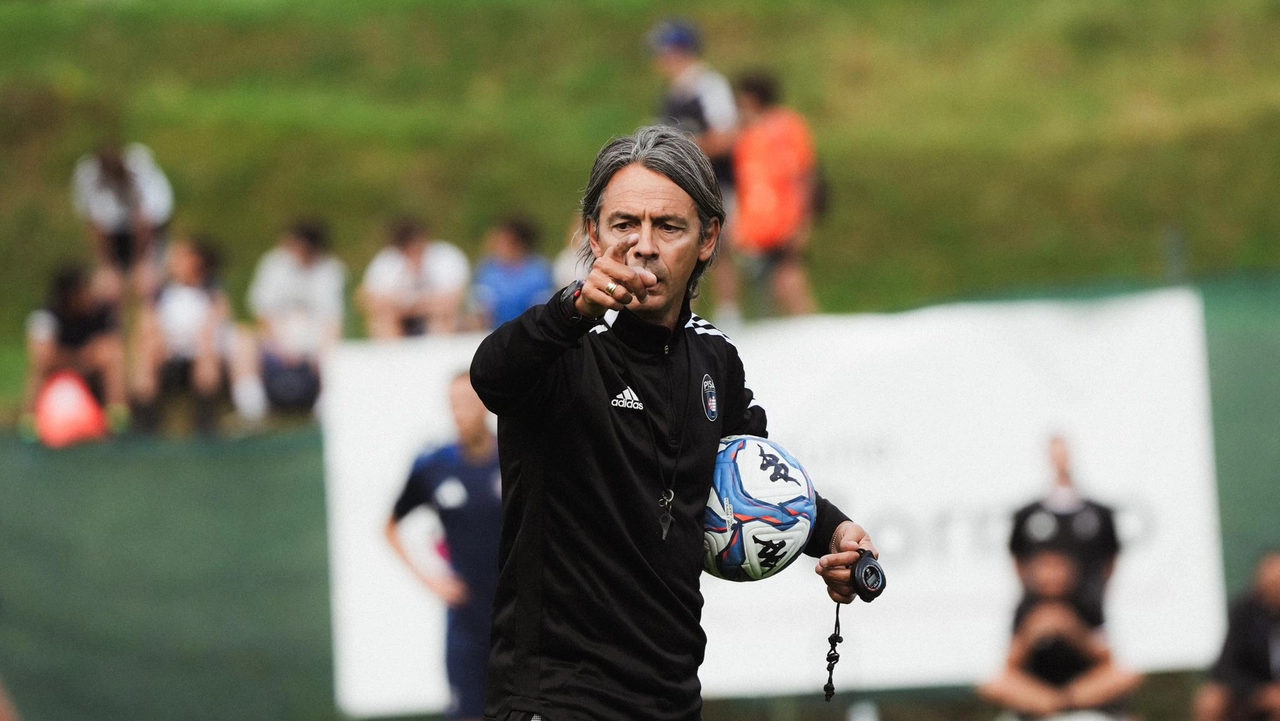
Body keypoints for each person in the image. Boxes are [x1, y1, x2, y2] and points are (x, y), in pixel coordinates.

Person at [470, 126, 876, 721]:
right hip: (555, 699)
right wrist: (572, 307)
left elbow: (752, 472)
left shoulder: (714, 358)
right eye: (624, 224)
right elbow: (491, 374)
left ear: (709, 239)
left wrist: (835, 533)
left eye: (668, 226)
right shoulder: (557, 346)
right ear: (593, 234)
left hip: (671, 699)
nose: (643, 245)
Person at [385, 372, 502, 721]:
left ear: (486, 404)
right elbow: (390, 527)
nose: (460, 413)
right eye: (454, 404)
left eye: (467, 403)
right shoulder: (433, 466)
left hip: (519, 617)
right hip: (467, 621)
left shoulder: (517, 457)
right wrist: (431, 580)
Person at [648, 19, 744, 326]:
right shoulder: (673, 92)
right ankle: (688, 311)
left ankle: (730, 310)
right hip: (684, 183)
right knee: (684, 245)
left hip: (715, 180)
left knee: (720, 245)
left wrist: (687, 147)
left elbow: (727, 134)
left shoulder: (708, 85)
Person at [980, 551, 1142, 717]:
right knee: (996, 683)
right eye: (1046, 567)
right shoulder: (1026, 606)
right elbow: (1008, 669)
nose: (1052, 575)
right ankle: (1052, 704)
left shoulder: (1088, 600)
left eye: (1058, 567)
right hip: (1038, 692)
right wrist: (1030, 635)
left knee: (1122, 675)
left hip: (1082, 691)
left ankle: (1064, 704)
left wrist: (1074, 631)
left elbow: (1109, 662)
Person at [132, 237, 265, 434]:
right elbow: (146, 324)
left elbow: (214, 325)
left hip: (202, 349)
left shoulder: (212, 291)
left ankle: (206, 420)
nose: (173, 261)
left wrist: (200, 342)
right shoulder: (161, 293)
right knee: (147, 351)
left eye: (180, 257)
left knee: (207, 353)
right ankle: (144, 421)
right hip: (169, 348)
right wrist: (160, 339)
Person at [1009, 435, 1121, 629]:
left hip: (1087, 611)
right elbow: (1017, 557)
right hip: (1038, 616)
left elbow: (1110, 560)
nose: (1055, 575)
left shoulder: (1098, 515)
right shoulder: (1028, 515)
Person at [731, 71, 819, 316]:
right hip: (758, 227)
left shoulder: (787, 127)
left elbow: (803, 174)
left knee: (790, 280)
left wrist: (803, 220)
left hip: (785, 219)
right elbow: (746, 182)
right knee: (763, 289)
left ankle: (809, 334)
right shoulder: (746, 134)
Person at [246, 220, 346, 412]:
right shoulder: (273, 264)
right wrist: (279, 345)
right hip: (278, 337)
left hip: (314, 339)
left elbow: (333, 321)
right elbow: (262, 312)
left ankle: (328, 403)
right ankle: (251, 407)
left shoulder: (331, 270)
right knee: (243, 342)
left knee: (334, 350)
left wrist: (324, 352)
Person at [21, 264, 128, 440]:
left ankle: (116, 416)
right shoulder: (45, 316)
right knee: (39, 367)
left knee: (111, 354)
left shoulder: (100, 313)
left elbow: (113, 341)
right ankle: (30, 419)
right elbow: (42, 356)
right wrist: (79, 357)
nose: (89, 296)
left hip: (87, 368)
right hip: (57, 371)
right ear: (70, 295)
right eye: (83, 291)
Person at [70, 142, 174, 300]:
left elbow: (144, 222)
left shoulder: (141, 168)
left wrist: (142, 262)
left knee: (148, 284)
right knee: (108, 289)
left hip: (150, 230)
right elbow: (95, 225)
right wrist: (106, 265)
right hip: (114, 233)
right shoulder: (87, 175)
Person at [1194, 550, 1280, 721]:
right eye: (1271, 582)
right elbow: (1226, 667)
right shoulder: (1244, 612)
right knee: (1211, 699)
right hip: (1252, 691)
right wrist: (1259, 692)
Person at [359, 216, 469, 338]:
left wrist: (407, 306)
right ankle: (392, 355)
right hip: (404, 323)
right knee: (383, 321)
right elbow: (367, 300)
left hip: (441, 319)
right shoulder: (387, 261)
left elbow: (451, 300)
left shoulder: (446, 256)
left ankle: (440, 353)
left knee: (442, 316)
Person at [470, 216, 555, 329]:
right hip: (493, 336)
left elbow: (542, 314)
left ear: (518, 244)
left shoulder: (538, 273)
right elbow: (479, 313)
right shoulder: (488, 271)